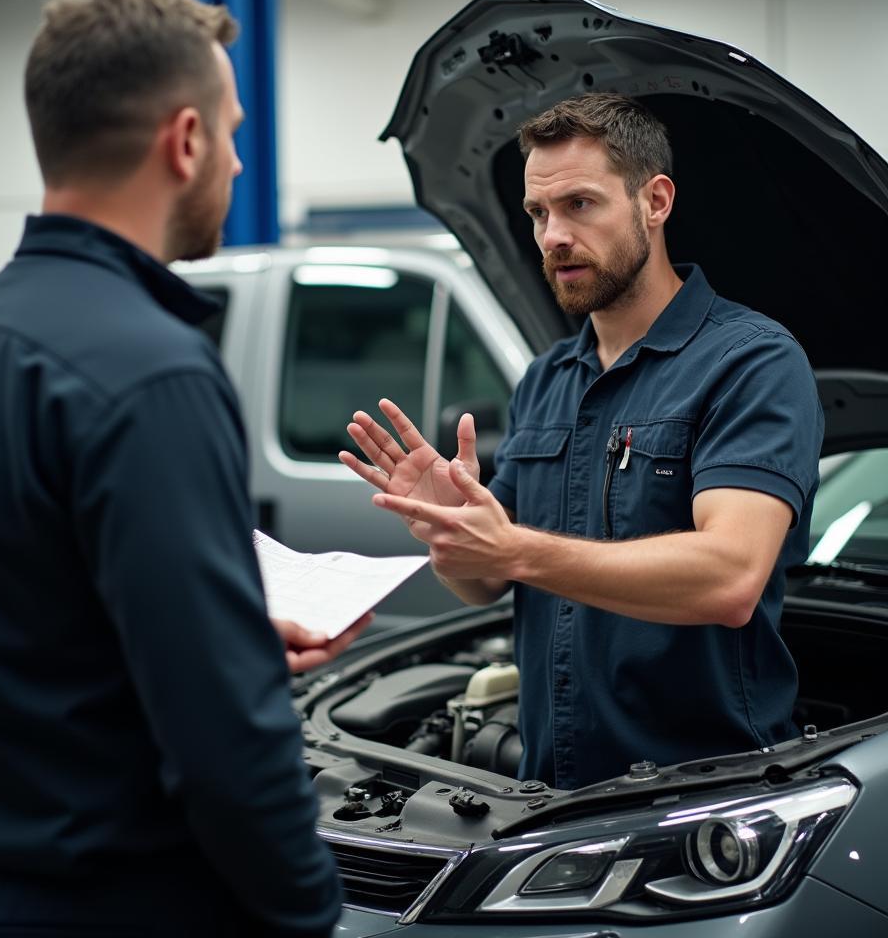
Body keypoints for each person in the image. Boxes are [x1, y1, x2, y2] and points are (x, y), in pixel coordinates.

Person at [0, 0, 367, 938]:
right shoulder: (153, 370)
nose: (237, 158)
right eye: (231, 130)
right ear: (184, 141)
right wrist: (311, 913)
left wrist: (222, 632)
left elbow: (21, 625)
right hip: (125, 907)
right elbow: (225, 748)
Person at [340, 93, 822, 791]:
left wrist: (516, 548)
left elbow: (730, 577)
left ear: (655, 201)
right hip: (547, 796)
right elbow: (483, 584)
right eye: (539, 213)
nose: (552, 236)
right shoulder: (548, 378)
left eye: (580, 206)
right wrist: (445, 529)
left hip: (707, 802)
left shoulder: (751, 362)